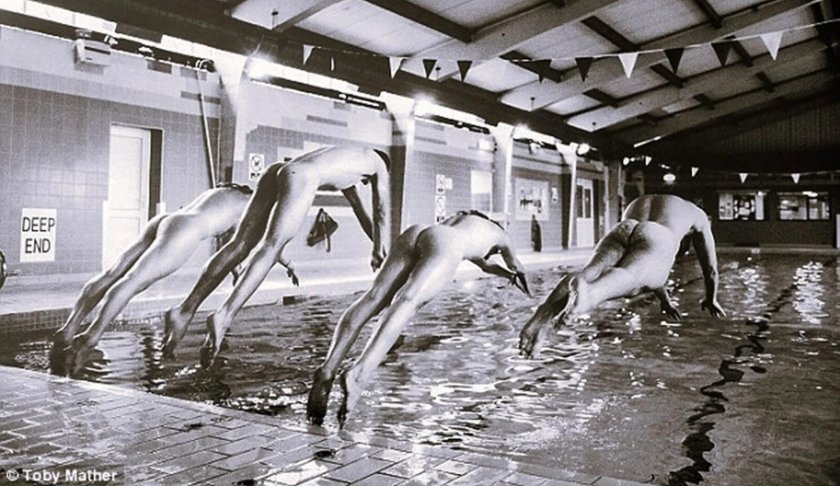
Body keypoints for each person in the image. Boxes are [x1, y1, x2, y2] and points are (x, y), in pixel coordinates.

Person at [162, 145, 391, 362]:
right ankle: (225, 314)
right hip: (302, 174)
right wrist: (379, 248)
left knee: (240, 244)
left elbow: (361, 211)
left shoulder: (349, 162)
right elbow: (380, 211)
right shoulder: (379, 164)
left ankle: (184, 310)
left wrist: (381, 246)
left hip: (277, 169)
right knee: (272, 246)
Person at [306, 210, 530, 426]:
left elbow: (484, 263)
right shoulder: (500, 235)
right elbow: (515, 264)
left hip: (418, 232)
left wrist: (505, 274)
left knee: (373, 297)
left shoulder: (465, 222)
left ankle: (327, 369)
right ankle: (360, 373)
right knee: (407, 300)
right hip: (447, 244)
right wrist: (522, 281)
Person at [54, 183, 253, 371]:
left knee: (113, 274)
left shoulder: (228, 192)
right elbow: (238, 246)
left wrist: (236, 270)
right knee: (134, 281)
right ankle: (90, 337)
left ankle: (69, 327)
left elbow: (231, 245)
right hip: (188, 229)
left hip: (166, 219)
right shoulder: (254, 204)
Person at [519, 194, 724, 358]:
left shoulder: (642, 201)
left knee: (588, 273)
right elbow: (711, 269)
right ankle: (591, 295)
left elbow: (642, 257)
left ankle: (539, 318)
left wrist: (665, 301)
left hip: (624, 228)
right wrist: (711, 297)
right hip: (658, 234)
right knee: (632, 276)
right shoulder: (698, 216)